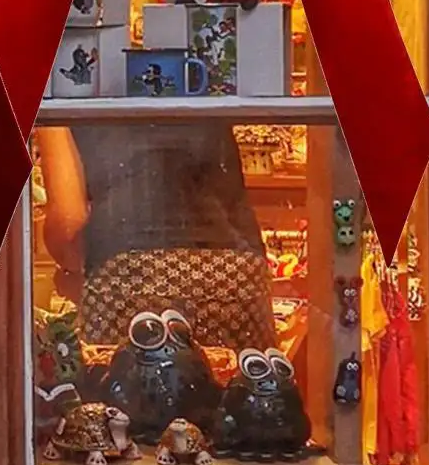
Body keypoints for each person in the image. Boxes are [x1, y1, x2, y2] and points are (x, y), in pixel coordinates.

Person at [36, 121, 276, 352]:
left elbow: (68, 227)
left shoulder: (65, 91)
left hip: (127, 279)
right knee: (249, 386)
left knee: (134, 385)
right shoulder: (199, 83)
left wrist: (75, 274)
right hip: (235, 274)